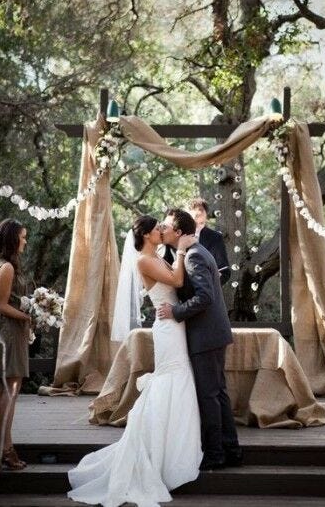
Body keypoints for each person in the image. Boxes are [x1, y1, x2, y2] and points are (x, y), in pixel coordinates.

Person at [68, 216, 203, 507]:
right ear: (144, 234)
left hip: (174, 324)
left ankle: (171, 452)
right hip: (168, 329)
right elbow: (177, 280)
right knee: (171, 381)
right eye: (156, 228)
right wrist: (181, 250)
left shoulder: (155, 256)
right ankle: (157, 454)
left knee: (179, 381)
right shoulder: (144, 260)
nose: (161, 231)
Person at [158, 208, 242, 471]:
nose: (163, 228)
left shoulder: (194, 255)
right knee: (218, 394)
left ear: (179, 232)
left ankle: (216, 454)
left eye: (167, 226)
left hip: (205, 335)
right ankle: (231, 450)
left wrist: (176, 311)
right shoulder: (195, 252)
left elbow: (204, 296)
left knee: (208, 396)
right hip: (214, 333)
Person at [0, 218, 30, 471]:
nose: (25, 241)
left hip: (13, 333)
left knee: (7, 392)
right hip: (9, 333)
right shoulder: (6, 267)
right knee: (9, 393)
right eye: (22, 237)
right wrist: (30, 315)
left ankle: (5, 447)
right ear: (12, 240)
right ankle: (6, 449)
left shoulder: (8, 265)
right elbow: (1, 305)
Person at [163, 198, 231, 285]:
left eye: (202, 222)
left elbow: (224, 270)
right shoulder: (175, 234)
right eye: (194, 221)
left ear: (206, 216)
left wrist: (210, 285)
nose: (197, 226)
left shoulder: (215, 237)